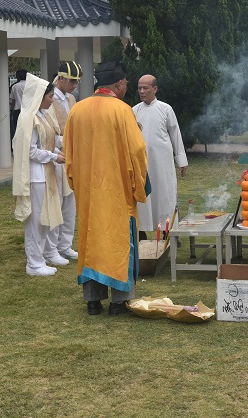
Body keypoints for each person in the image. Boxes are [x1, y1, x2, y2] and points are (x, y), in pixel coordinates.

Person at [64, 60, 148, 316]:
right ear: (119, 83)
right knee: (118, 242)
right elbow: (137, 152)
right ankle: (119, 301)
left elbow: (68, 154)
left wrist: (75, 181)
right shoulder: (122, 111)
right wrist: (139, 186)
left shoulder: (77, 110)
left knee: (91, 241)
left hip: (89, 191)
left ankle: (93, 301)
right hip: (116, 190)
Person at [13, 76, 65, 276]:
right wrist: (53, 156)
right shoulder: (28, 118)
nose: (53, 99)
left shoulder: (43, 115)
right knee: (35, 220)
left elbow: (52, 138)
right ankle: (33, 263)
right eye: (50, 96)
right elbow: (31, 150)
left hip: (47, 172)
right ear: (40, 97)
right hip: (36, 176)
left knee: (44, 218)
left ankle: (40, 257)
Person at [133, 74, 188, 236]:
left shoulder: (165, 109)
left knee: (164, 194)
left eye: (146, 88)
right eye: (139, 88)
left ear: (155, 89)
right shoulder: (134, 110)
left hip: (162, 162)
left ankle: (168, 231)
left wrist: (181, 160)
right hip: (142, 163)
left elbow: (175, 134)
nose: (142, 92)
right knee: (144, 197)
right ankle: (141, 230)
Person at [43, 60, 83, 262]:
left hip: (71, 155)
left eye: (76, 82)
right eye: (71, 81)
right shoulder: (49, 99)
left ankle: (65, 245)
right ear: (60, 79)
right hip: (56, 155)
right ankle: (51, 249)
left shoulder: (71, 99)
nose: (74, 85)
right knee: (56, 203)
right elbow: (49, 131)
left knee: (70, 203)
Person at [9, 69, 27, 142]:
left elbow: (12, 100)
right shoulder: (31, 85)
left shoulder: (15, 86)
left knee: (18, 130)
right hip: (29, 110)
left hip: (18, 110)